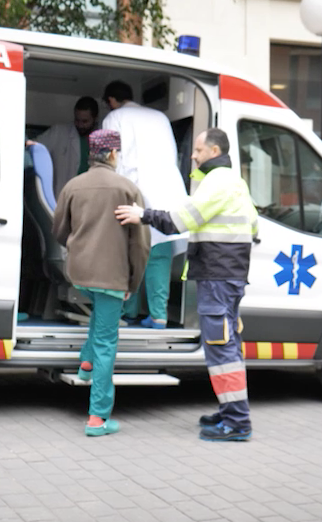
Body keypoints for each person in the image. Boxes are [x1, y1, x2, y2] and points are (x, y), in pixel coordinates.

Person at [115, 128, 258, 442]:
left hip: (217, 278)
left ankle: (237, 422)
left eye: (198, 150)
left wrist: (143, 214)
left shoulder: (217, 182)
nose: (193, 156)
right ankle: (230, 408)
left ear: (215, 151)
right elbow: (254, 226)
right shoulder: (236, 182)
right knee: (228, 345)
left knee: (221, 350)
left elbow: (181, 221)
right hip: (229, 277)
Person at [52, 129, 150, 437]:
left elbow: (58, 230)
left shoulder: (73, 186)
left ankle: (86, 363)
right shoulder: (127, 188)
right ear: (111, 154)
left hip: (80, 273)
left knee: (99, 311)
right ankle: (97, 418)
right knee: (108, 341)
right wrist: (132, 281)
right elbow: (140, 245)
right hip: (111, 275)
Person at [101, 80, 188, 329]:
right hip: (167, 192)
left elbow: (110, 159)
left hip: (133, 191)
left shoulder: (114, 118)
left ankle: (128, 312)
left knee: (130, 253)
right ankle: (159, 315)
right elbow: (172, 155)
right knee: (159, 254)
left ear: (111, 101)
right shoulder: (160, 117)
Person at [28, 96, 100, 197]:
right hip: (64, 194)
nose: (80, 125)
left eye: (85, 121)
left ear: (95, 118)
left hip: (90, 195)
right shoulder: (59, 132)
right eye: (77, 120)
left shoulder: (102, 138)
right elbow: (33, 147)